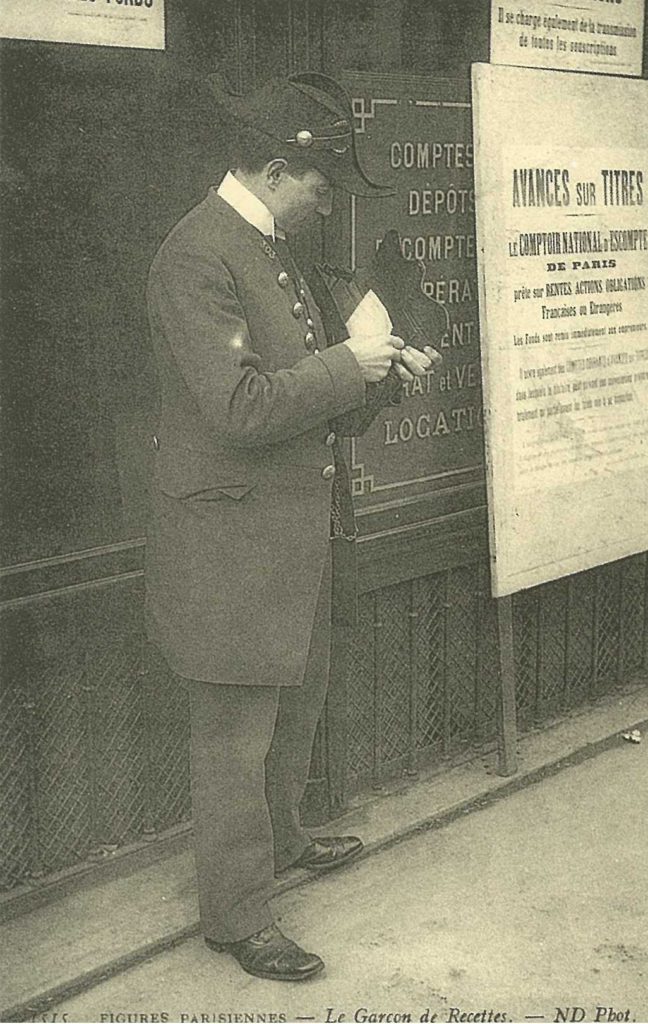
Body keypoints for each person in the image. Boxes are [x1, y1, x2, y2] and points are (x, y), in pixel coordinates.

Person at [145, 71, 437, 982]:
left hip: (287, 537)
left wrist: (380, 375)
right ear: (278, 170)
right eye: (322, 187)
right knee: (234, 733)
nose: (328, 204)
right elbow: (237, 408)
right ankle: (236, 915)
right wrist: (348, 365)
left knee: (292, 704)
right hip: (229, 547)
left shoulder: (266, 245)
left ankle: (277, 844)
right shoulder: (197, 256)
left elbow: (313, 400)